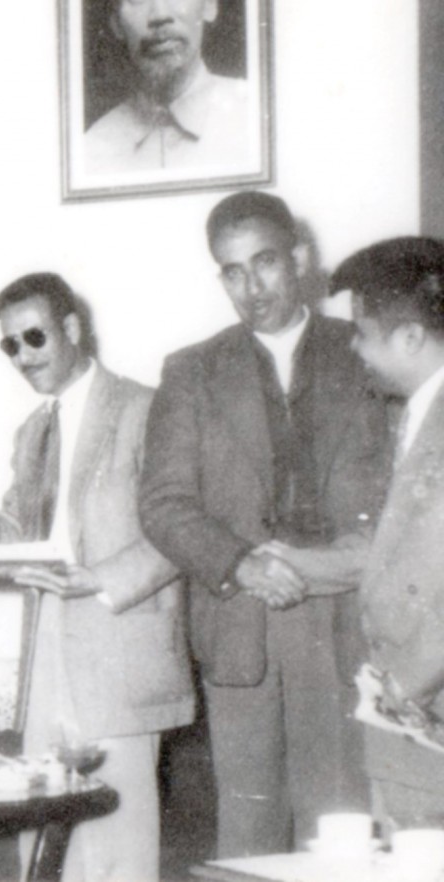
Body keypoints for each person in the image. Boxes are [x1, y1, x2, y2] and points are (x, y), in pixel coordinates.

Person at [139, 191, 392, 857]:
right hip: (242, 625)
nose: (252, 287)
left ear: (300, 258)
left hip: (345, 627)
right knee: (247, 840)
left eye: (266, 263)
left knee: (340, 835)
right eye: (232, 271)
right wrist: (244, 563)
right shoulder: (190, 371)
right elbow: (163, 504)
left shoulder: (367, 352)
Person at [0, 273, 194, 882]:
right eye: (10, 345)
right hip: (45, 652)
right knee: (42, 840)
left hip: (119, 650)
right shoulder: (32, 432)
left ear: (73, 328)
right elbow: (24, 528)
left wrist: (101, 580)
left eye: (34, 337)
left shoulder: (144, 408)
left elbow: (182, 528)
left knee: (118, 854)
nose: (22, 356)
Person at [327, 237, 444, 829]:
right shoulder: (417, 414)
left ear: (410, 338)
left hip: (426, 717)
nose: (354, 347)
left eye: (362, 332)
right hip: (409, 725)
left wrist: (404, 689)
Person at [85, 0, 255, 174]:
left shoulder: (257, 118)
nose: (159, 15)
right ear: (116, 23)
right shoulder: (91, 150)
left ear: (210, 5)